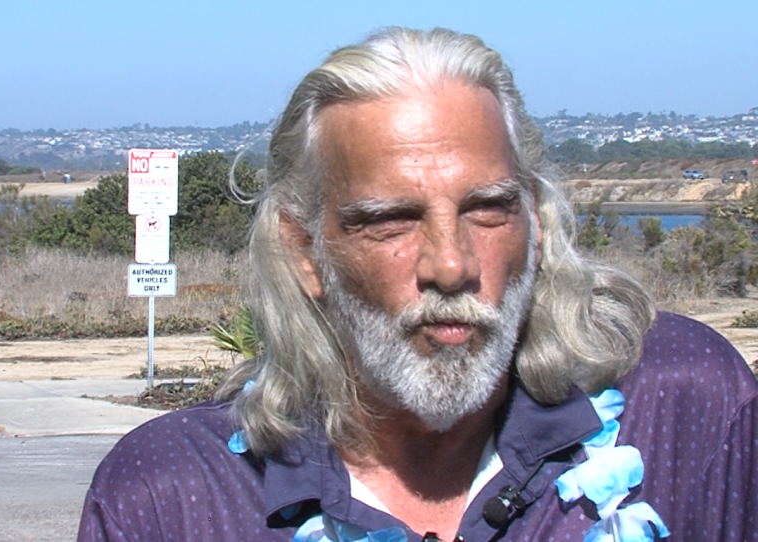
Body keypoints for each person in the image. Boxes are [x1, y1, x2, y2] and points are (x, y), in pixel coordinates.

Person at [78, 27, 758, 542]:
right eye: (391, 221)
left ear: (538, 225)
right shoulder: (173, 497)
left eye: (488, 209)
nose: (452, 265)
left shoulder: (684, 402)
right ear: (305, 250)